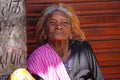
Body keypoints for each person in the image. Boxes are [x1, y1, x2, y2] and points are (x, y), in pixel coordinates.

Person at [27, 3, 105, 80]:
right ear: (45, 31)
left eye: (64, 23)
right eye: (52, 23)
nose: (59, 26)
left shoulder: (83, 48)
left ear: (71, 30)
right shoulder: (38, 59)